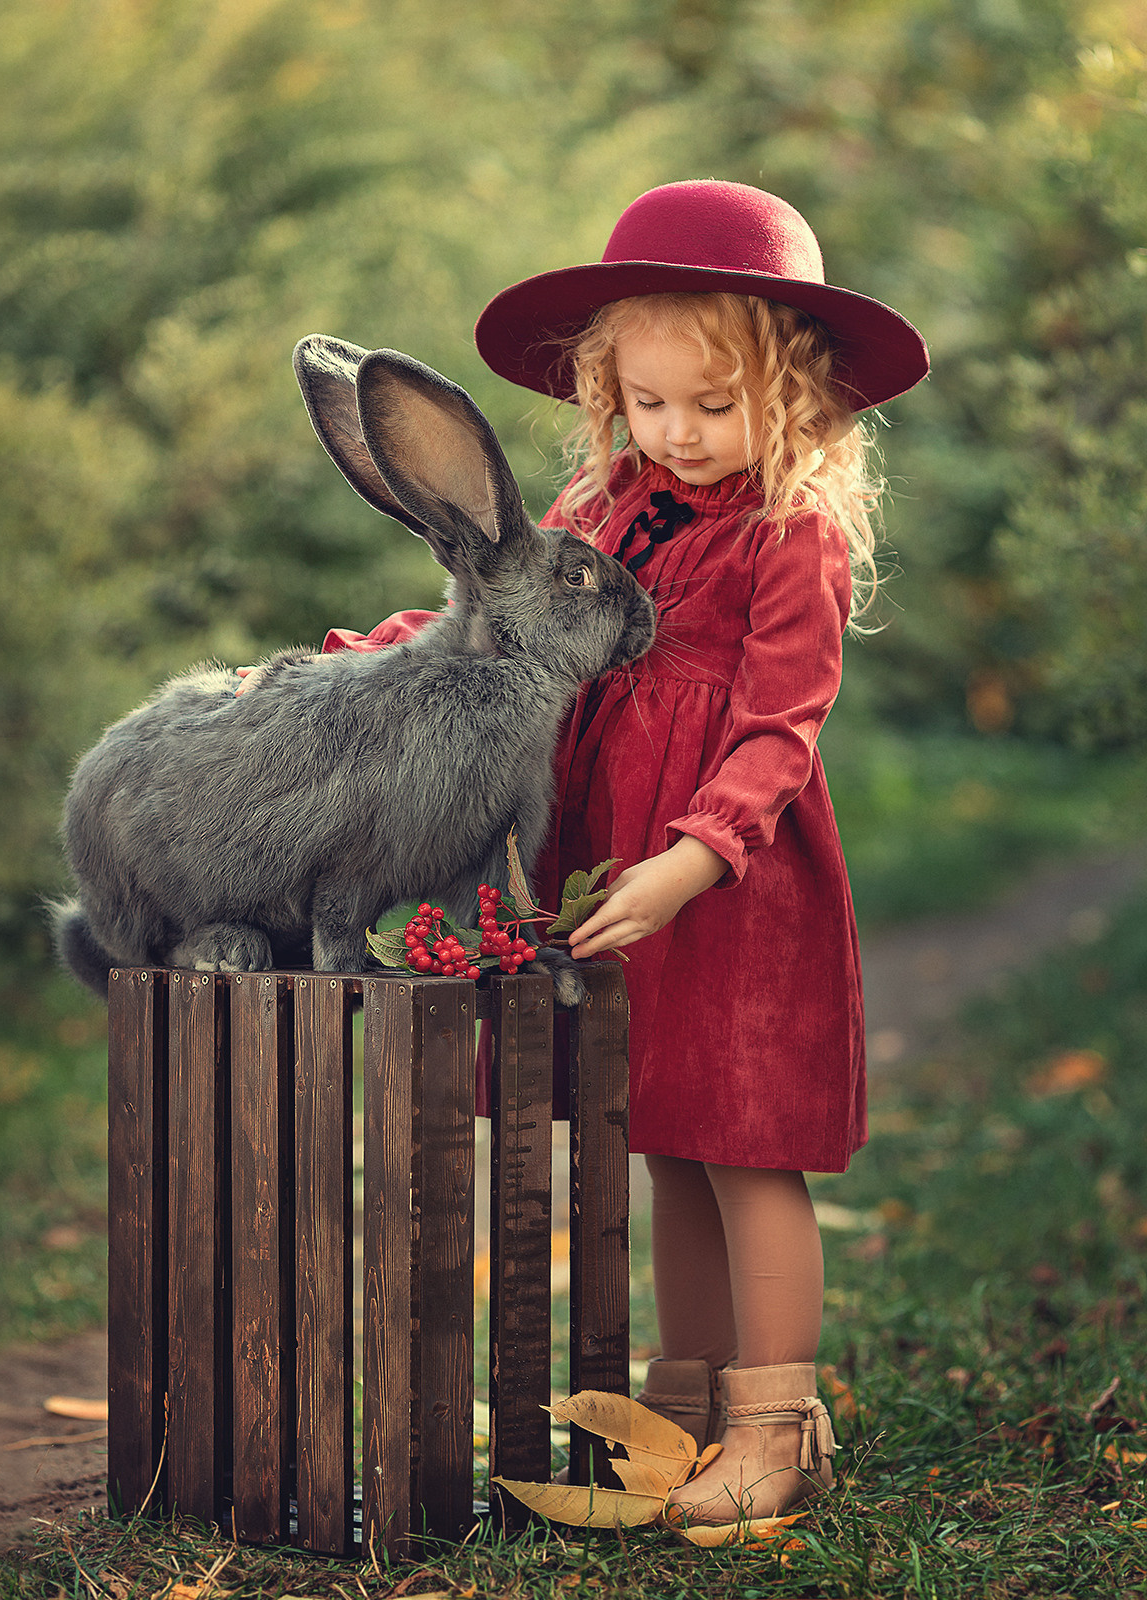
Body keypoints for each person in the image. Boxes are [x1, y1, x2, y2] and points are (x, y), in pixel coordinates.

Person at [246, 180, 929, 1526]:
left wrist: (693, 858)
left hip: (725, 886)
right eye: (649, 401)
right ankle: (684, 1407)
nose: (677, 433)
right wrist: (372, 660)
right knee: (662, 1133)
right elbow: (501, 623)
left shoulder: (789, 535)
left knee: (746, 1146)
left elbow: (781, 732)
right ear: (609, 393)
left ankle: (776, 1427)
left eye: (714, 405)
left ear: (795, 394)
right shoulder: (608, 500)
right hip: (601, 866)